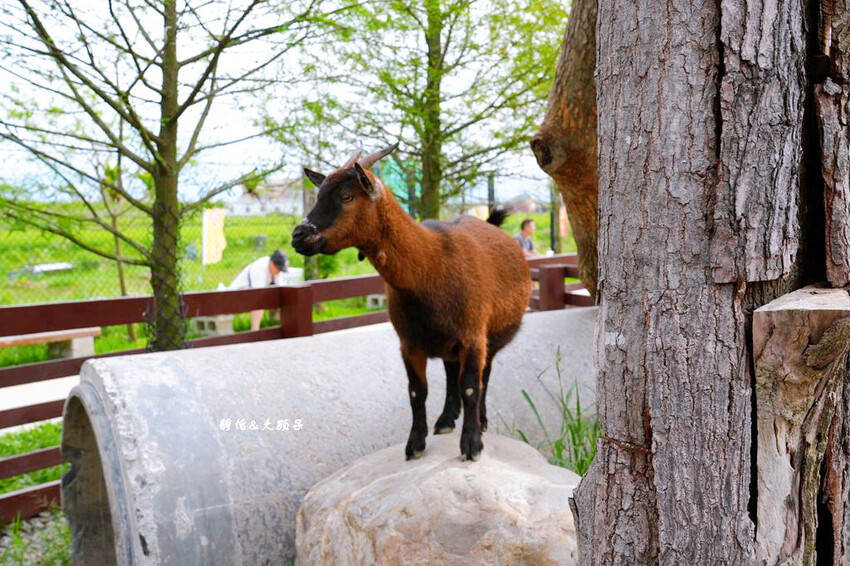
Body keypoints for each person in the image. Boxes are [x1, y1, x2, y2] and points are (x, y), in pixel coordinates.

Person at [229, 250, 288, 331]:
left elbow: (280, 289)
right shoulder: (260, 267)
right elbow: (258, 295)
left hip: (252, 295)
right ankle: (255, 331)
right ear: (271, 263)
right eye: (278, 269)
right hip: (236, 296)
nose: (279, 272)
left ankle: (282, 328)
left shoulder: (275, 270)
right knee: (259, 301)